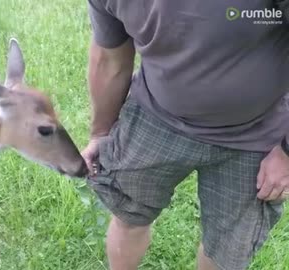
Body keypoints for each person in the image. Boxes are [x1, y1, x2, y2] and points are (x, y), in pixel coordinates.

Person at [81, 0, 289, 269]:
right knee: (127, 213)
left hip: (256, 132)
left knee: (228, 251)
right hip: (155, 115)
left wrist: (286, 153)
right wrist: (100, 133)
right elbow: (109, 60)